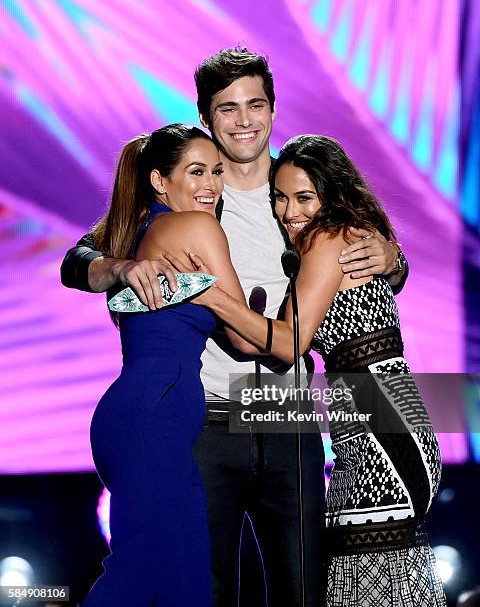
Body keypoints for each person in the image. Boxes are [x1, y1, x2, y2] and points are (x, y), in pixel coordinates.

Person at [61, 48, 408, 606]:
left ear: (273, 109)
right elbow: (78, 258)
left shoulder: (298, 184)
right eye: (228, 109)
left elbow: (362, 260)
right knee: (207, 587)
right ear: (206, 115)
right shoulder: (194, 190)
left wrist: (393, 259)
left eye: (256, 105)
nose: (245, 120)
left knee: (303, 590)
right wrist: (119, 266)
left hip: (288, 417)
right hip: (208, 420)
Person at [190, 134, 446, 606]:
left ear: (333, 194)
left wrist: (206, 293)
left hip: (383, 430)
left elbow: (288, 343)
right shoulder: (343, 235)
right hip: (380, 417)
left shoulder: (329, 238)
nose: (290, 212)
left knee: (364, 586)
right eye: (280, 198)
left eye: (304, 197)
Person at [81, 123, 246, 606]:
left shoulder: (131, 234)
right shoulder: (195, 226)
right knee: (144, 575)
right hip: (158, 409)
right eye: (196, 172)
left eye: (217, 172)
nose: (211, 185)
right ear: (159, 181)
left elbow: (81, 256)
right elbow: (243, 333)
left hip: (139, 412)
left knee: (181, 581)